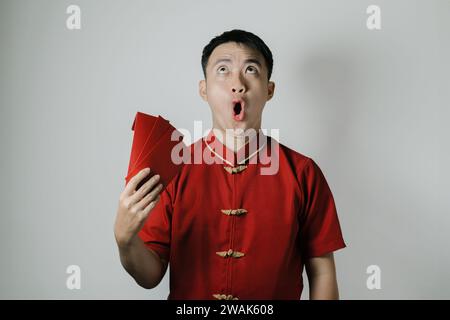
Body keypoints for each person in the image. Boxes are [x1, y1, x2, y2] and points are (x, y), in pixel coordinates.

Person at [114, 29, 346, 300]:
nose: (237, 83)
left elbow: (322, 272)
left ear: (269, 89)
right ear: (204, 89)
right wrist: (125, 240)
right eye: (223, 70)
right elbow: (150, 275)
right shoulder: (173, 168)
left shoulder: (304, 173)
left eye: (251, 69)